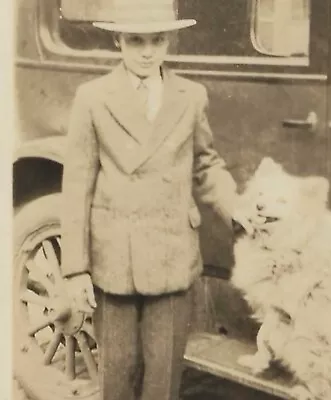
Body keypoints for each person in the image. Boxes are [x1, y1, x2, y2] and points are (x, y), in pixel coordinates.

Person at [60, 1, 239, 399]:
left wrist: (237, 210)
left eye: (157, 40)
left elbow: (206, 166)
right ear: (118, 41)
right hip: (114, 260)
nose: (146, 51)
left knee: (164, 379)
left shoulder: (191, 96)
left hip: (171, 255)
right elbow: (76, 185)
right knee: (117, 375)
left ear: (170, 41)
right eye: (136, 40)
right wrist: (75, 269)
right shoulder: (92, 98)